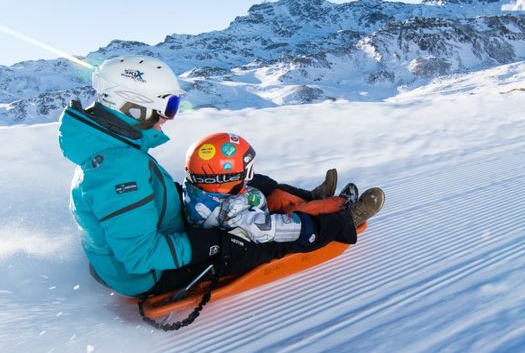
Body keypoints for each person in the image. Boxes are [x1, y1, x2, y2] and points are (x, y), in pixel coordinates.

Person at [58, 55, 385, 300]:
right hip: (150, 275)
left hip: (165, 232)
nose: (169, 118)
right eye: (168, 106)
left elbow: (137, 206)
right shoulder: (118, 169)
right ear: (133, 108)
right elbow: (140, 256)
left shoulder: (116, 150)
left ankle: (310, 199)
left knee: (250, 183)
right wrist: (216, 243)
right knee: (258, 242)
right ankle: (341, 222)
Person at [182, 132, 370, 244]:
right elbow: (278, 227)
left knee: (275, 191)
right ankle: (344, 213)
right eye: (245, 173)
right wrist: (299, 214)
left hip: (246, 206)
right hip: (258, 226)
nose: (249, 176)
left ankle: (314, 196)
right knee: (299, 213)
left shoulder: (198, 189)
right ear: (223, 179)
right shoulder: (241, 220)